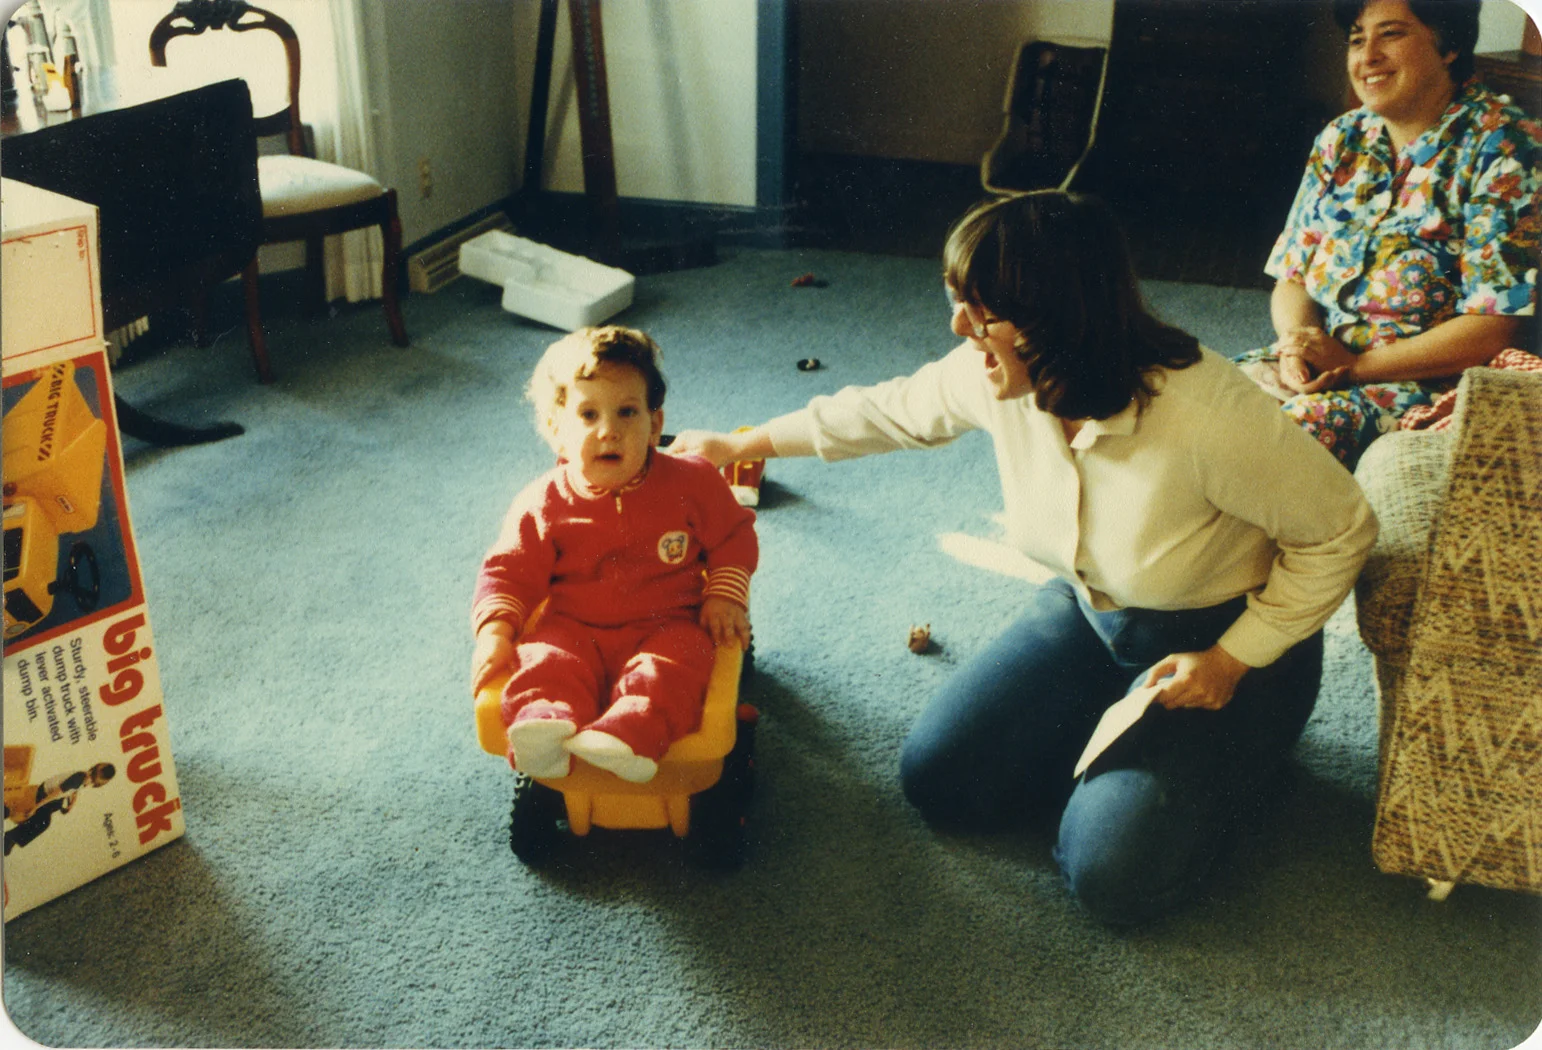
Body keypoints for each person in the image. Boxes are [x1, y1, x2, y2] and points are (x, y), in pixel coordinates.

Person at [670, 190, 1378, 925]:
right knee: (940, 780)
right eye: (959, 304)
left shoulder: (1209, 413)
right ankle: (1119, 763)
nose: (959, 329)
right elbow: (888, 409)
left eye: (984, 314)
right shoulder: (999, 374)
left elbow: (1344, 529)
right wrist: (739, 443)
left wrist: (1235, 659)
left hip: (1223, 650)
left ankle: (1233, 762)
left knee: (1112, 877)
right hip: (1090, 613)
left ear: (1062, 316)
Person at [1236, 0, 1542, 468]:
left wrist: (1354, 367)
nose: (1367, 56)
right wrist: (1299, 347)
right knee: (1184, 402)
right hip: (1323, 365)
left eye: (1392, 34)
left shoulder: (1505, 148)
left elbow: (1491, 326)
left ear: (1450, 46)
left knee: (1270, 445)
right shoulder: (1342, 138)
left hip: (1425, 384)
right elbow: (1293, 275)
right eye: (1358, 39)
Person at [470, 325, 758, 785]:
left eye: (627, 412)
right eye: (588, 415)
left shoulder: (693, 482)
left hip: (667, 622)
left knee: (676, 664)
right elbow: (508, 572)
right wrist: (495, 633)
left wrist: (724, 596)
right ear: (556, 432)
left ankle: (629, 735)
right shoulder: (541, 502)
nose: (610, 432)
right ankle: (542, 726)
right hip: (574, 627)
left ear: (655, 425)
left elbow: (734, 535)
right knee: (544, 659)